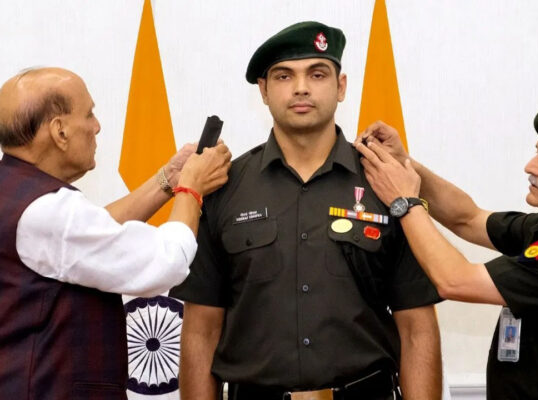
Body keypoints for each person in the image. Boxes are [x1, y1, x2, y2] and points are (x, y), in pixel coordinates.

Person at [170, 21, 442, 400]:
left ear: (341, 87)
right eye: (284, 76)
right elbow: (201, 332)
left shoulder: (388, 185)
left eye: (317, 74)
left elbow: (417, 327)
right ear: (263, 91)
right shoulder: (224, 187)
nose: (301, 88)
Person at [0, 67, 231, 399]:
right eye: (88, 114)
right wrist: (192, 188)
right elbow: (166, 261)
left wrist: (169, 178)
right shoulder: (50, 212)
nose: (97, 126)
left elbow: (93, 235)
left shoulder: (21, 196)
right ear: (59, 132)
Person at [355, 105, 538, 399]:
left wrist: (404, 202)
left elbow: (456, 281)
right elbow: (467, 218)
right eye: (537, 153)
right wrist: (404, 163)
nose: (531, 167)